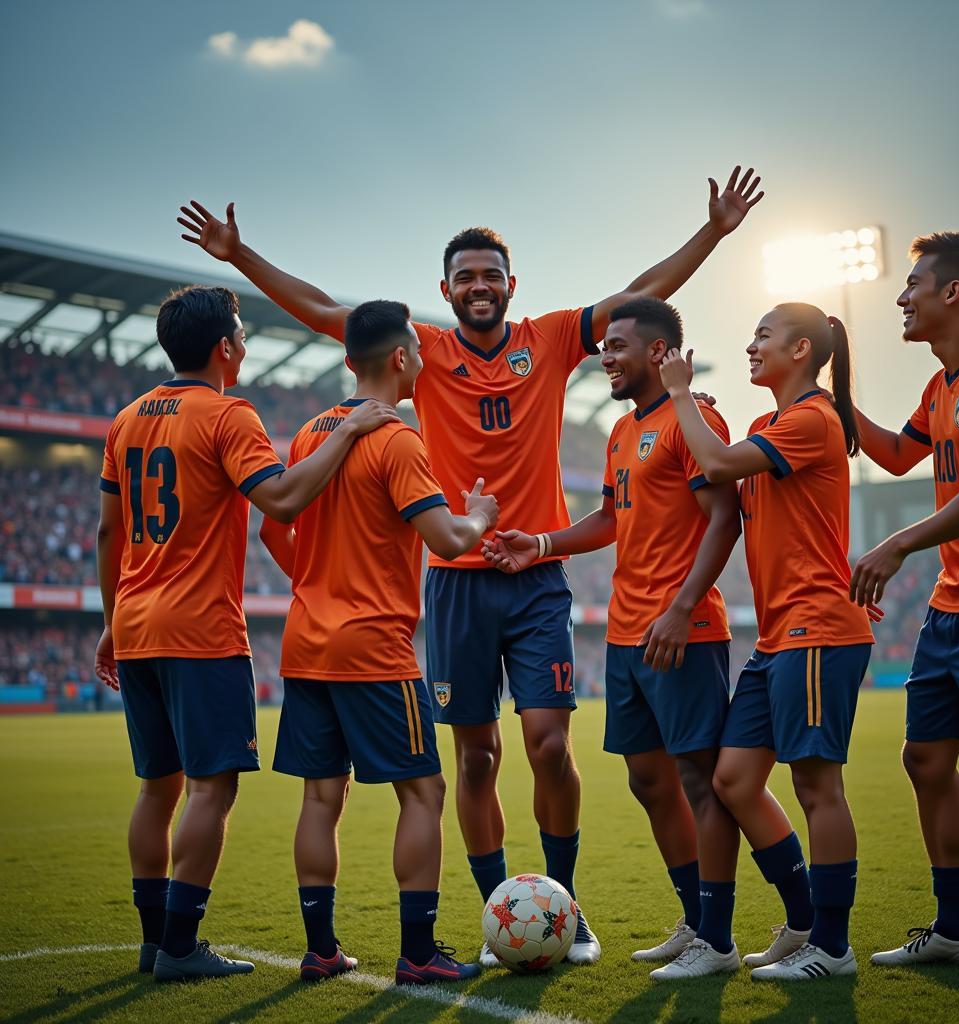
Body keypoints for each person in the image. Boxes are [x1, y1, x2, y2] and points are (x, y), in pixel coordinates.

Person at [177, 166, 764, 965]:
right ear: (445, 292)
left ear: (511, 284)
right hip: (454, 583)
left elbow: (637, 295)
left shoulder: (552, 338)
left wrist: (714, 233)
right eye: (465, 278)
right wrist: (241, 256)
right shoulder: (424, 350)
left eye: (491, 275)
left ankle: (566, 908)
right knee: (475, 755)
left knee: (550, 745)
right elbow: (320, 311)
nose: (479, 286)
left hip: (535, 581)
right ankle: (499, 912)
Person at [94, 285, 397, 982]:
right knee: (210, 791)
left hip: (135, 623)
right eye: (240, 334)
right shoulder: (229, 415)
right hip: (199, 631)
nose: (245, 345)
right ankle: (178, 947)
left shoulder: (126, 418)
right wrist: (348, 432)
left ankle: (152, 942)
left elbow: (109, 529)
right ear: (225, 346)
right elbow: (283, 498)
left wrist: (112, 622)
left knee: (156, 787)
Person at [481, 297, 743, 981]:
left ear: (660, 353)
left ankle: (717, 937)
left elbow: (724, 520)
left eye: (619, 347)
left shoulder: (698, 419)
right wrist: (539, 543)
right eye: (603, 348)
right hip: (627, 634)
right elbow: (608, 518)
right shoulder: (622, 432)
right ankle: (694, 919)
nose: (606, 358)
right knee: (649, 779)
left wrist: (684, 607)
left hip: (680, 629)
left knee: (700, 780)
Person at [260, 300, 498, 985]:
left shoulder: (310, 433)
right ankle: (419, 954)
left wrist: (317, 583)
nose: (423, 363)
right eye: (418, 354)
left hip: (307, 644)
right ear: (400, 359)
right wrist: (478, 514)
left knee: (319, 799)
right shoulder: (397, 438)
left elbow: (277, 529)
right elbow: (449, 539)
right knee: (423, 793)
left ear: (346, 359)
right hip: (373, 650)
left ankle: (320, 949)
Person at [659, 303, 877, 980]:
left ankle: (831, 948)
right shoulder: (769, 424)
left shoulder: (814, 419)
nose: (751, 346)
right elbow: (724, 459)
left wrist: (675, 399)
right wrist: (695, 409)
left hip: (818, 630)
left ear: (802, 349)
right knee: (733, 778)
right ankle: (806, 920)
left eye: (763, 336)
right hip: (780, 636)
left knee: (816, 786)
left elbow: (718, 464)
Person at [847, 233, 959, 996]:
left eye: (913, 283)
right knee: (926, 760)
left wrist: (899, 543)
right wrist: (834, 382)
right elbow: (890, 454)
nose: (901, 296)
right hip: (953, 606)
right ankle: (957, 931)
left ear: (953, 293)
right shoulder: (940, 385)